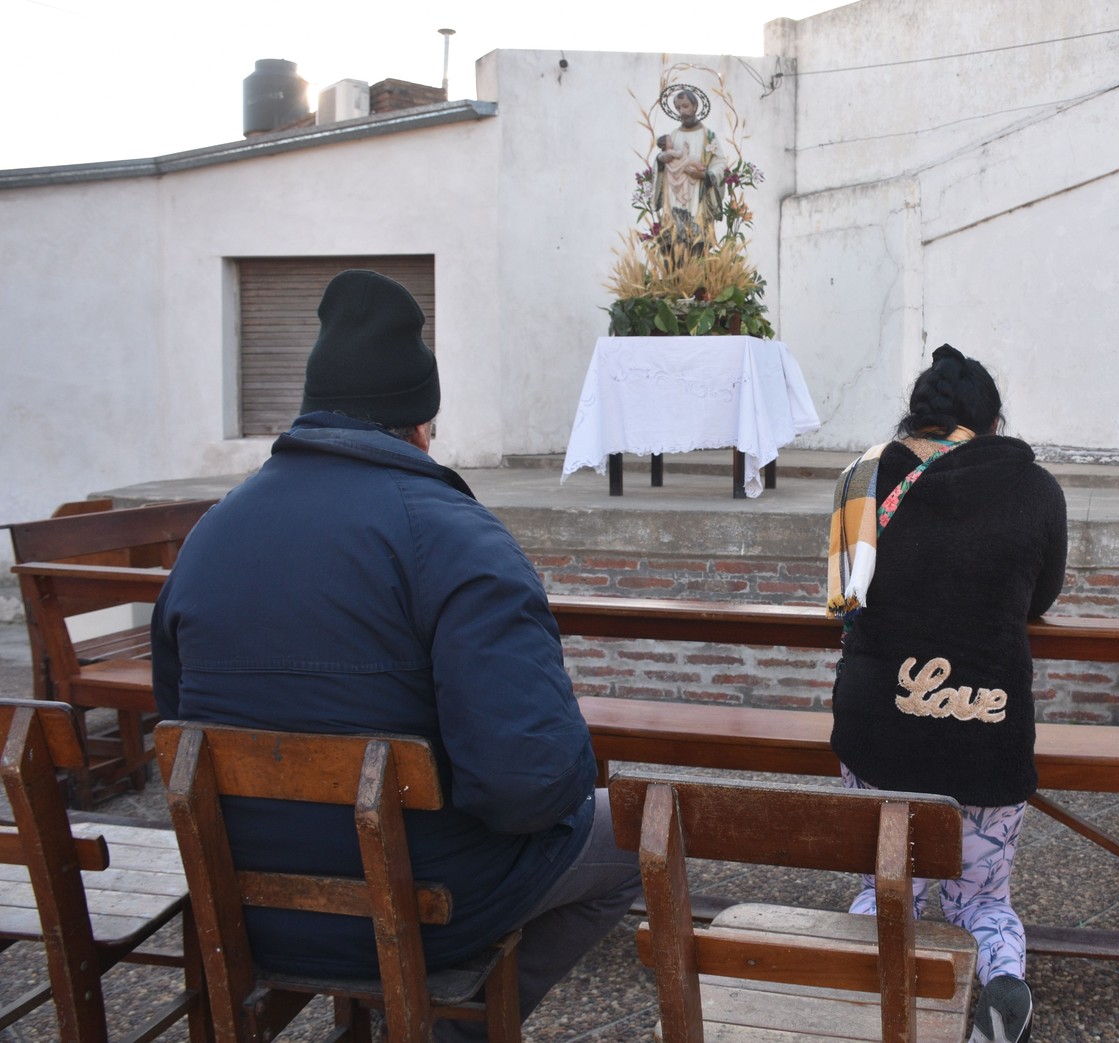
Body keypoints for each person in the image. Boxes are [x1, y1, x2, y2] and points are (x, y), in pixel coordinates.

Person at [151, 269, 641, 1039]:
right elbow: (529, 786)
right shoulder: (456, 536)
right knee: (638, 830)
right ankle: (452, 1027)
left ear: (310, 407)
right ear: (421, 422)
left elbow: (176, 719)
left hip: (246, 905)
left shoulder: (210, 533)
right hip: (422, 904)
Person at [824, 343, 1068, 1043]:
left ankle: (867, 991)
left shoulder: (860, 477)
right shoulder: (1035, 488)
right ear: (991, 422)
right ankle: (998, 978)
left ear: (916, 415)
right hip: (983, 735)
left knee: (883, 884)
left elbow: (846, 595)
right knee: (984, 899)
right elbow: (1040, 595)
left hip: (876, 731)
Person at [651, 87, 726, 250]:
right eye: (678, 107)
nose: (681, 111)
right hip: (675, 198)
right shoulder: (673, 135)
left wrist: (705, 174)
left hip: (697, 199)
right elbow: (662, 158)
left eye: (685, 106)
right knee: (674, 248)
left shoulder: (709, 136)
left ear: (695, 107)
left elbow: (720, 162)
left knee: (697, 246)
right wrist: (661, 160)